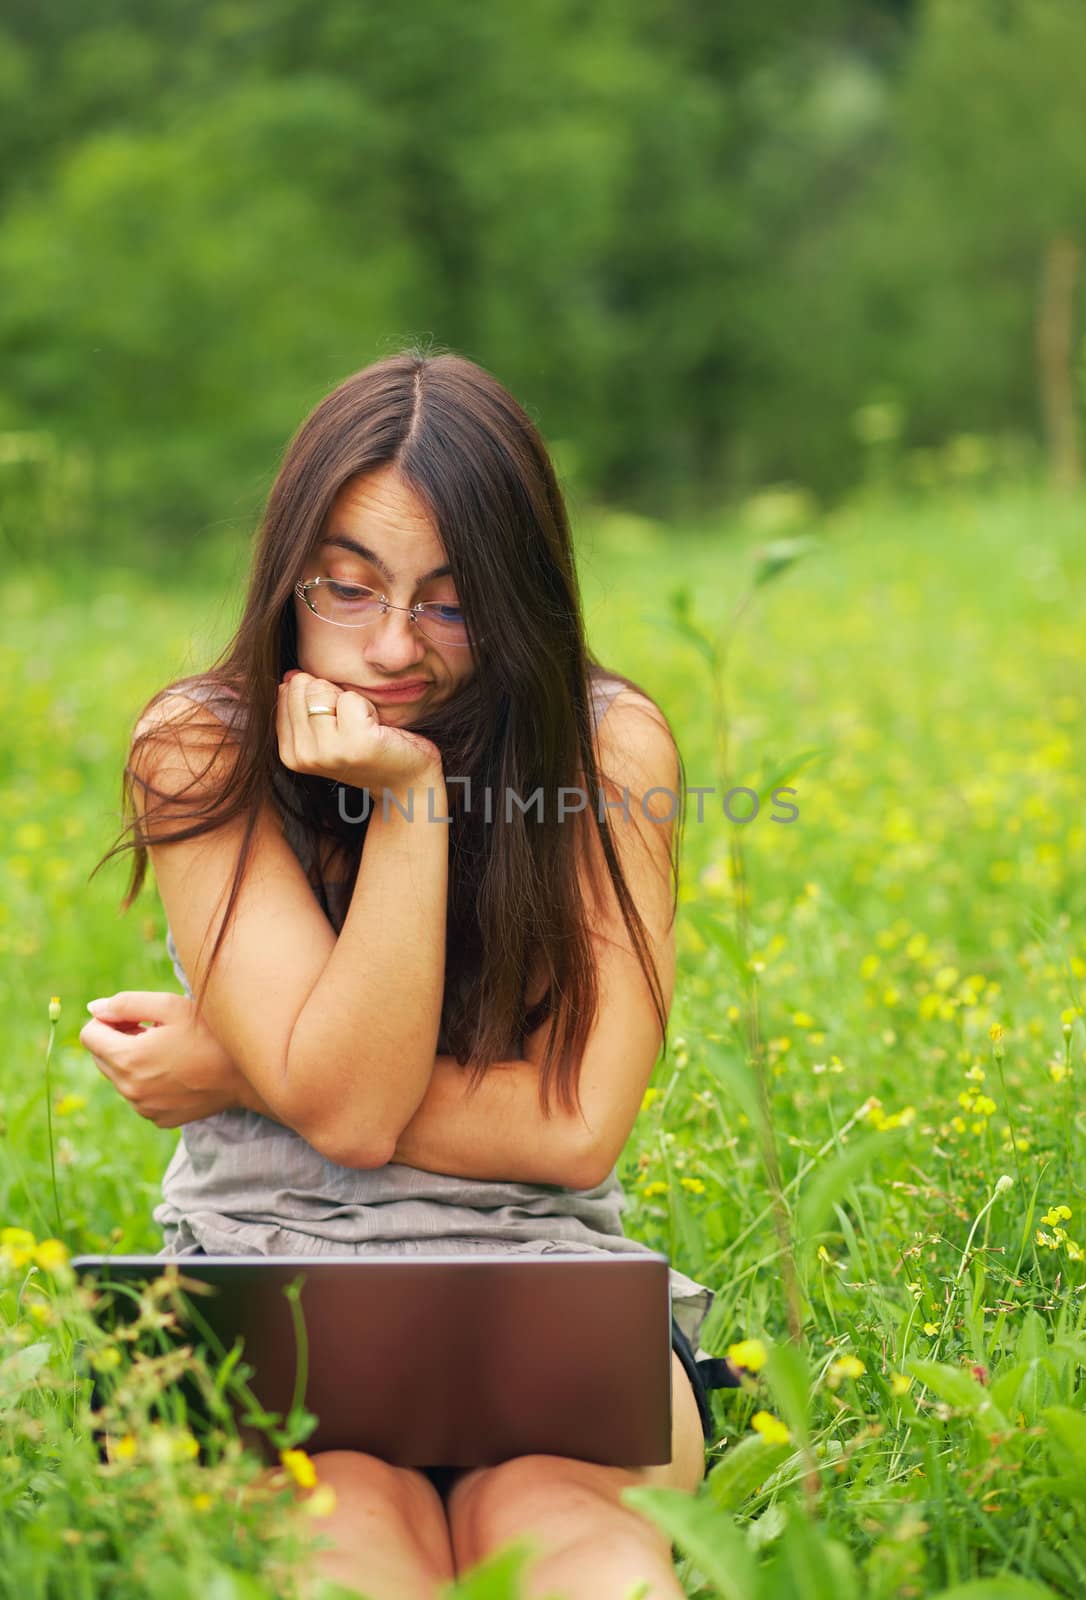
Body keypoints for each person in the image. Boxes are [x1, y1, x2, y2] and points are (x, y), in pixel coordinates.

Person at [80, 349, 727, 1600]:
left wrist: (240, 1072)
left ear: (522, 596)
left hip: (541, 1288)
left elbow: (578, 1128)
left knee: (565, 1531)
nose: (392, 648)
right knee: (342, 1538)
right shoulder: (201, 751)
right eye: (350, 589)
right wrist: (408, 801)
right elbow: (354, 1106)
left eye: (448, 599)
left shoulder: (606, 748)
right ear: (290, 577)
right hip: (261, 1277)